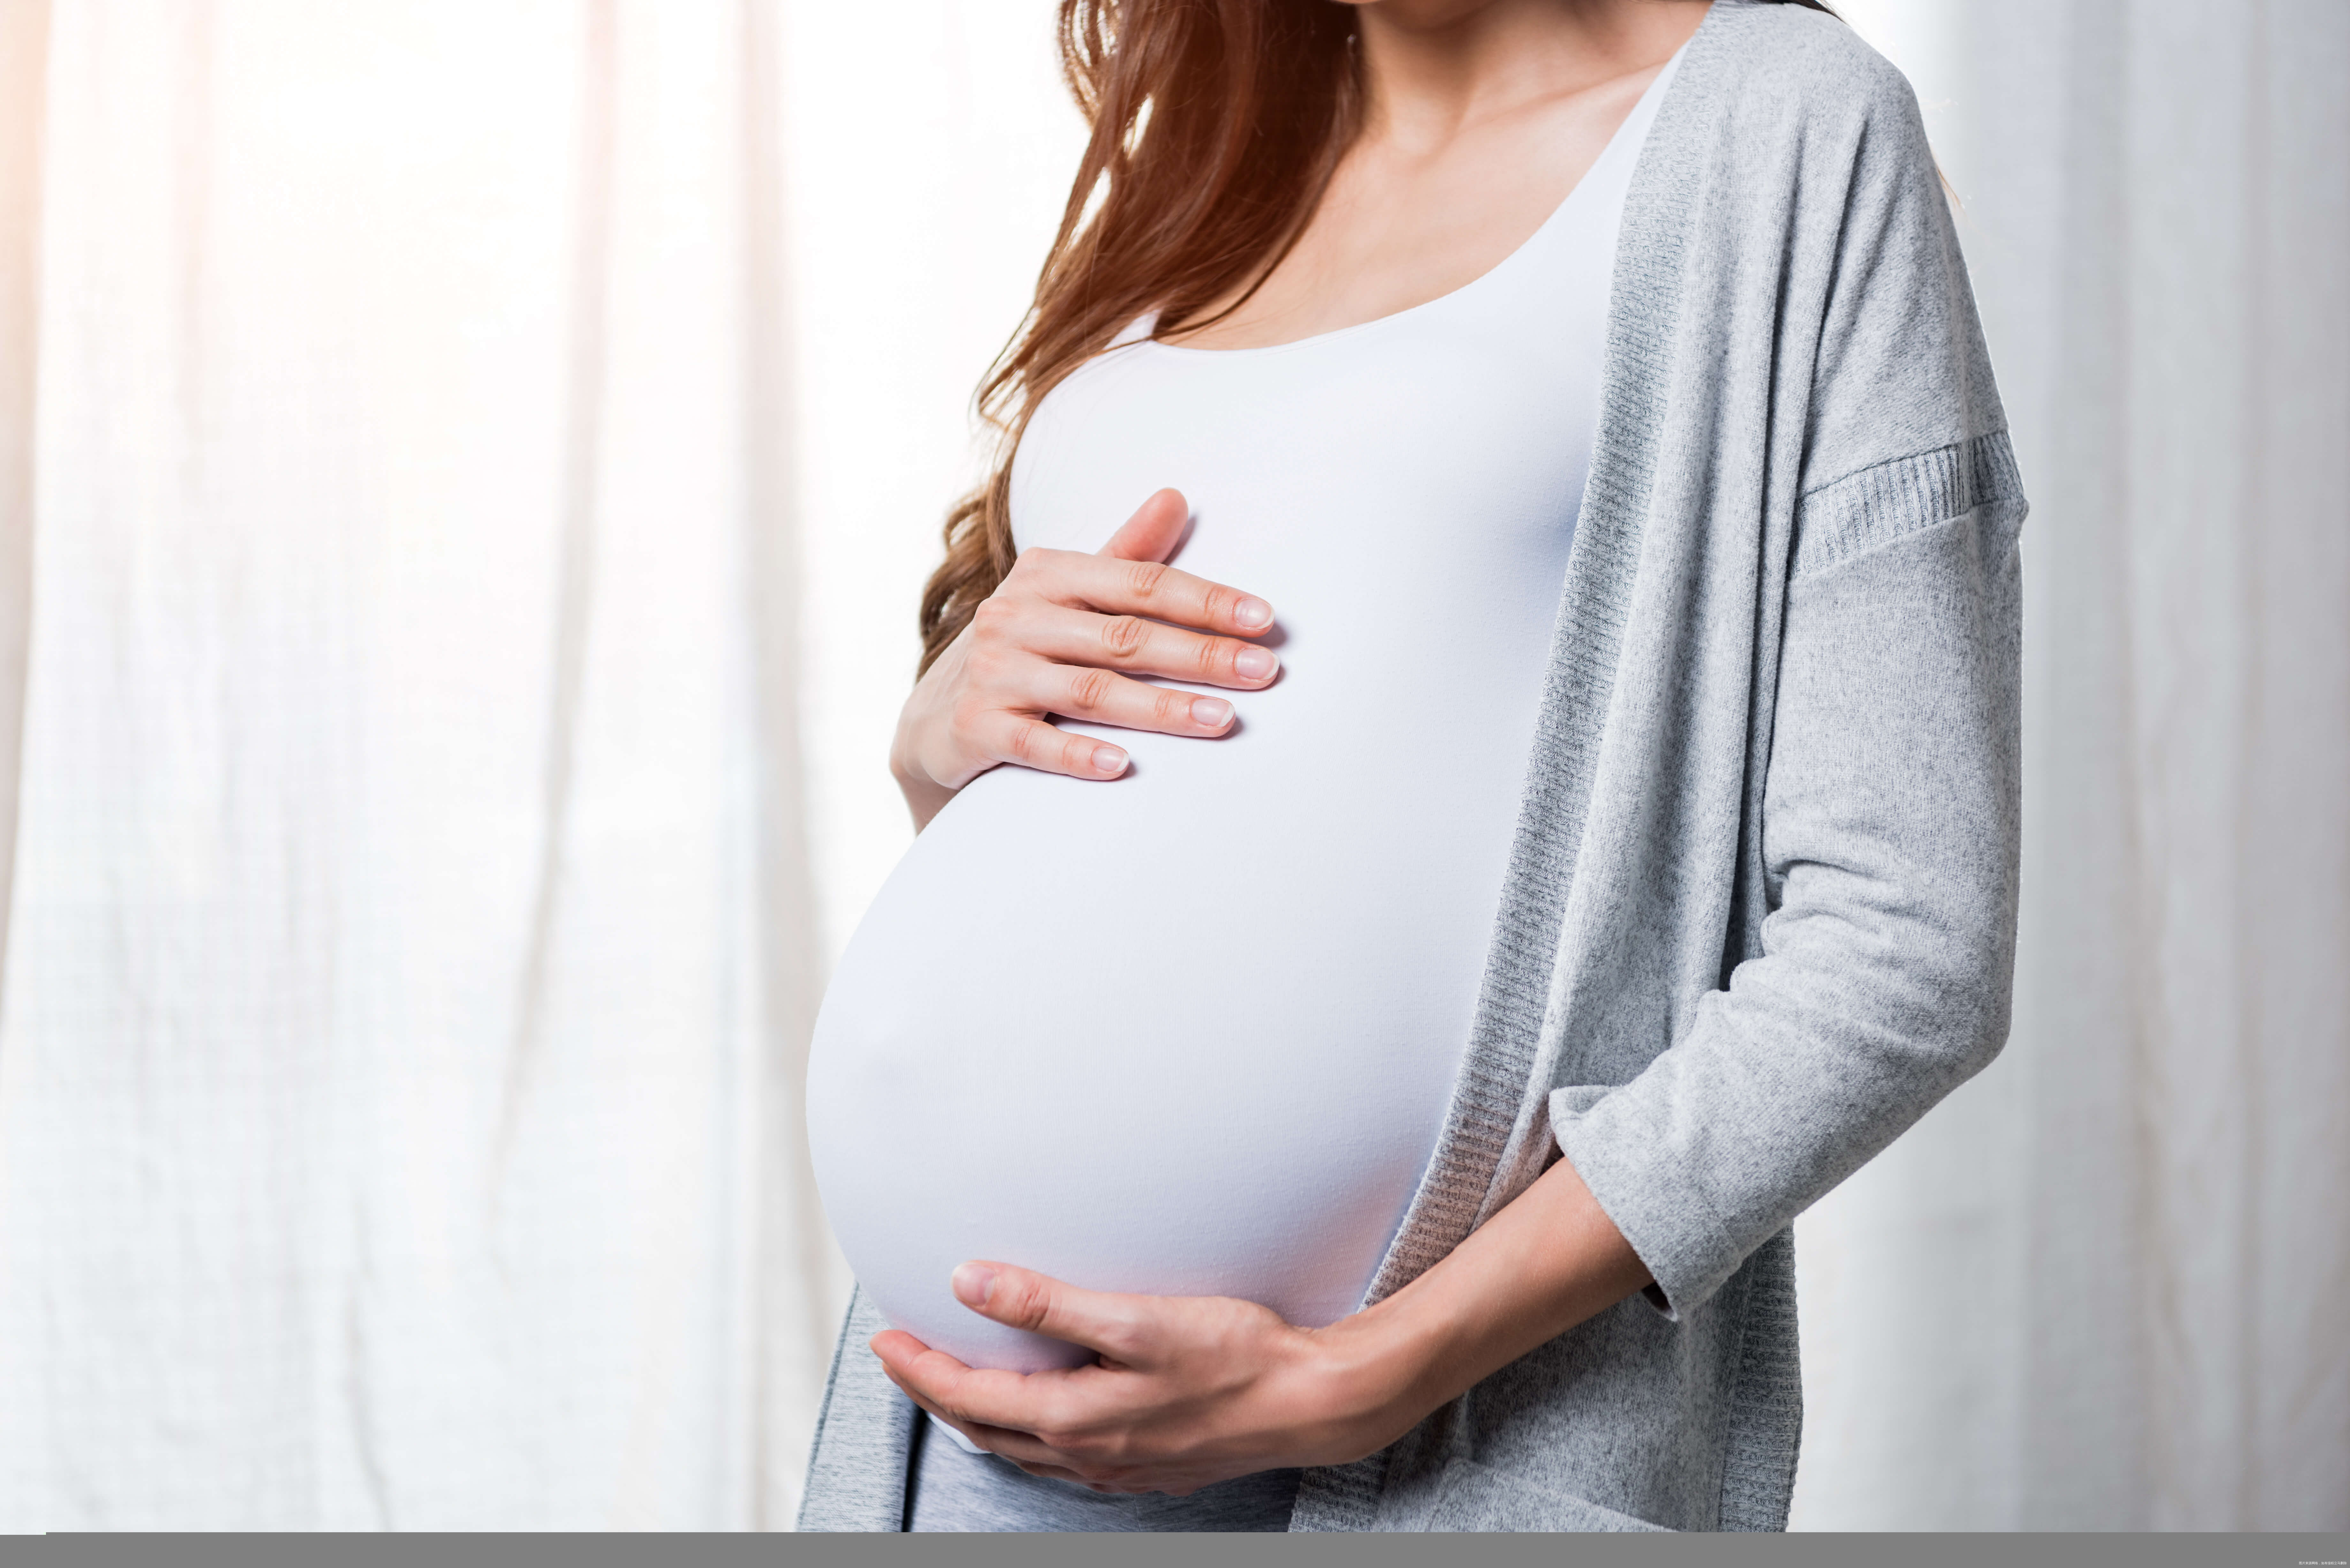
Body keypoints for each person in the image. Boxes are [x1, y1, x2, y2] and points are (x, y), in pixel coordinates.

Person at [798, 0, 2024, 1534]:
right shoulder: (1223, 144)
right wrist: (936, 738)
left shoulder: (1783, 127)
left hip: (1419, 1449)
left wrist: (1374, 1372)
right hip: (957, 1448)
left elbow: (1906, 947)